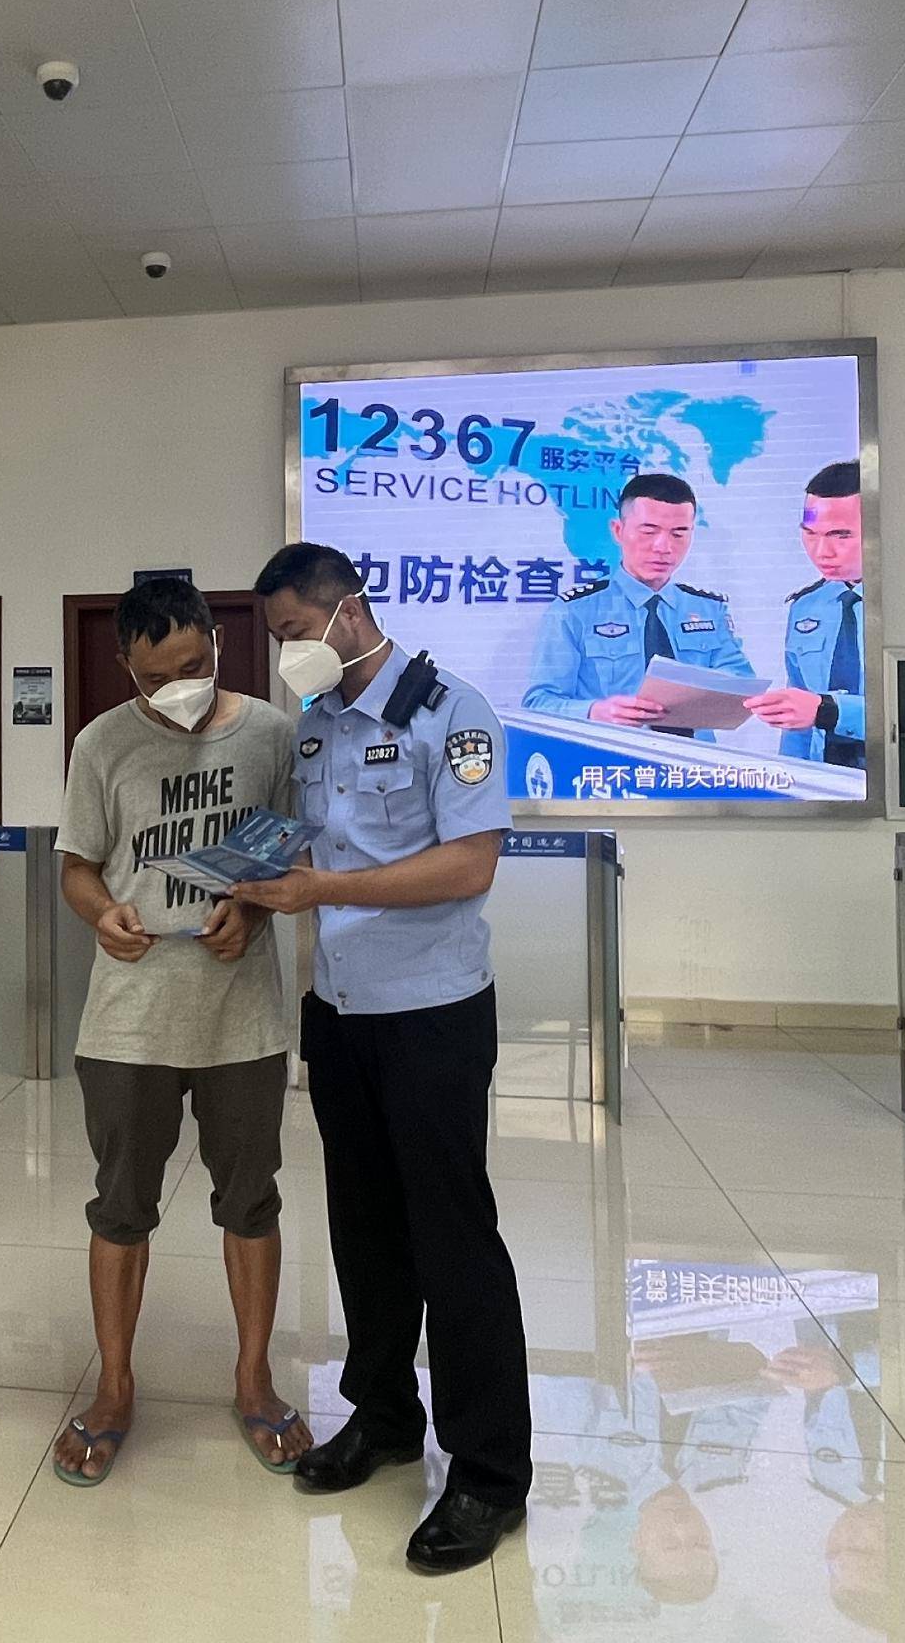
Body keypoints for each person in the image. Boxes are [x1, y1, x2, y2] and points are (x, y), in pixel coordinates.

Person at [231, 542, 532, 1574]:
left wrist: (322, 891)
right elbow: (317, 844)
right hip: (341, 1011)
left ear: (348, 612)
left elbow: (468, 863)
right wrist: (253, 874)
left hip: (432, 1012)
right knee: (364, 1233)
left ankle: (489, 1473)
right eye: (276, 636)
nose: (286, 653)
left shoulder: (453, 712)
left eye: (291, 631)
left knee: (454, 1241)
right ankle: (386, 1416)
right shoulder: (318, 726)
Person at [49, 576, 311, 1486]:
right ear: (127, 666)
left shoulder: (272, 735)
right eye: (157, 678)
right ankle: (115, 1388)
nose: (179, 689)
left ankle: (254, 1380)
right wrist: (101, 913)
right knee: (121, 1206)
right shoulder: (101, 744)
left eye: (193, 666)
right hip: (129, 1020)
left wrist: (256, 910)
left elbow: (292, 853)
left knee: (251, 1200)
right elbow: (78, 867)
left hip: (243, 1019)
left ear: (217, 643)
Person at [521, 473, 750, 732]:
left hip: (692, 755)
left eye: (678, 534)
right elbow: (539, 702)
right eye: (649, 531)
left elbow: (741, 684)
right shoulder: (574, 611)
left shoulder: (709, 609)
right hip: (611, 753)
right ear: (618, 531)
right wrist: (594, 712)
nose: (663, 547)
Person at [746, 460, 865, 766]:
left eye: (841, 536)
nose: (821, 551)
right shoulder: (806, 607)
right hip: (822, 776)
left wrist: (828, 711)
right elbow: (797, 718)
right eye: (810, 534)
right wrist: (789, 777)